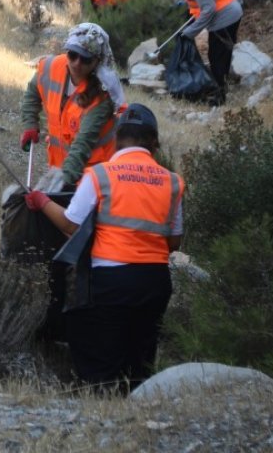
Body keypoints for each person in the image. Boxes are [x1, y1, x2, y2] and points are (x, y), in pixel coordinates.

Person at [23, 104, 184, 393]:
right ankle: (136, 404)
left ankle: (102, 403)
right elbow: (174, 242)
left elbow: (71, 225)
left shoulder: (100, 175)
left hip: (111, 281)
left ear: (116, 139)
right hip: (155, 283)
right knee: (141, 356)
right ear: (154, 142)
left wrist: (41, 201)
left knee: (98, 350)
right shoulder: (172, 182)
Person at [19, 23, 122, 190]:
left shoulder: (103, 96)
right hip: (63, 165)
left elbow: (82, 145)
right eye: (73, 55)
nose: (77, 63)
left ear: (97, 61)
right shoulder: (52, 67)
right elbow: (33, 91)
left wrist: (60, 183)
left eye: (86, 59)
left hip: (95, 175)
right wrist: (30, 124)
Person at [165, 0, 244, 105]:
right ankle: (223, 86)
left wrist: (190, 32)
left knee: (216, 57)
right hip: (232, 10)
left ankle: (220, 97)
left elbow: (209, 9)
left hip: (225, 19)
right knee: (222, 54)